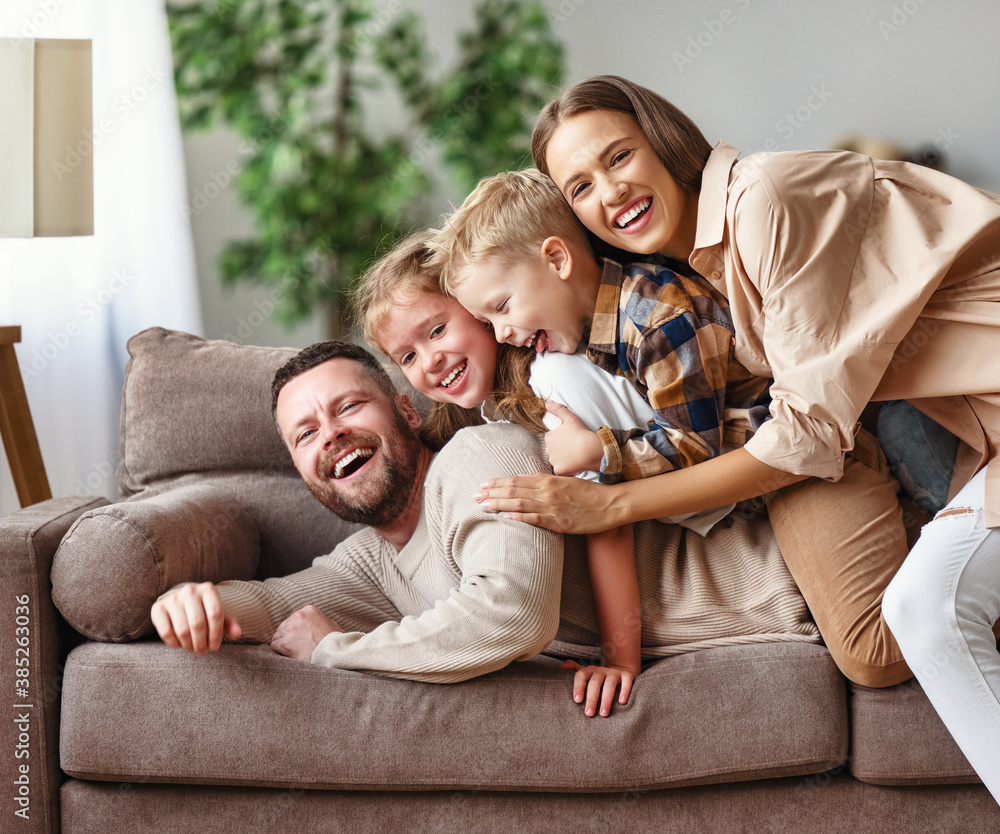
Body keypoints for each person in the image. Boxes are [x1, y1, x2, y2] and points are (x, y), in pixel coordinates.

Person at [473, 74, 1000, 798]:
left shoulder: (764, 201)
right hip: (971, 431)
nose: (611, 192)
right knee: (891, 637)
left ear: (661, 137)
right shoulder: (679, 273)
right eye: (582, 187)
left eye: (619, 157)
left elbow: (806, 434)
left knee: (923, 614)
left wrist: (613, 497)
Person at [434, 165, 910, 690]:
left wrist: (600, 451)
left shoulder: (657, 319)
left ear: (557, 258)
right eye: (488, 323)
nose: (504, 334)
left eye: (502, 308)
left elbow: (694, 447)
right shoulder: (596, 336)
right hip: (766, 481)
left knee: (873, 656)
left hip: (807, 465)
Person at [151, 340, 819, 713]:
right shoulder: (368, 564)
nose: (333, 435)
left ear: (407, 413)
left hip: (799, 575)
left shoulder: (482, 455)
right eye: (305, 434)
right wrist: (192, 603)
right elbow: (271, 609)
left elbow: (512, 614)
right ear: (301, 469)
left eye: (350, 405)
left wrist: (336, 650)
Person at [354, 230, 730, 715]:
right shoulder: (492, 409)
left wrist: (619, 662)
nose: (430, 360)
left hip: (711, 519)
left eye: (437, 330)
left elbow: (603, 517)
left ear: (479, 308)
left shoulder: (555, 379)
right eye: (407, 356)